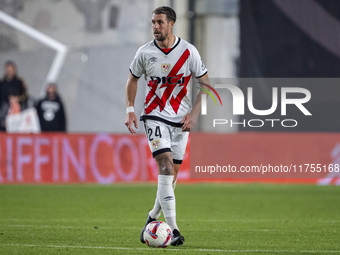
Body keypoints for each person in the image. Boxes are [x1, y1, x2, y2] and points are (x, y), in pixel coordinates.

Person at [124, 6, 210, 246]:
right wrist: (130, 108)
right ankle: (174, 230)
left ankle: (152, 217)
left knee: (171, 177)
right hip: (154, 115)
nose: (155, 27)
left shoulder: (188, 51)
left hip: (181, 121)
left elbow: (205, 84)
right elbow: (132, 78)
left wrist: (194, 113)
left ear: (171, 24)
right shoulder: (144, 52)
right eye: (153, 22)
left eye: (160, 22)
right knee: (164, 166)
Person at [0, 60, 27, 131]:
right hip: (4, 109)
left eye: (11, 70)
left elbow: (24, 95)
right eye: (8, 69)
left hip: (17, 109)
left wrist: (17, 99)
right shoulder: (2, 83)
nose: (9, 71)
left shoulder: (19, 82)